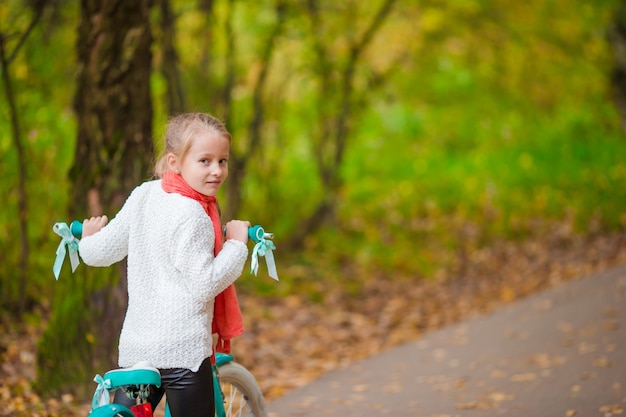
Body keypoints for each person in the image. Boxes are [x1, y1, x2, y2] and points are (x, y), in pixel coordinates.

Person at [78, 112, 250, 417]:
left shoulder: (143, 195)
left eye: (222, 160)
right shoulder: (195, 215)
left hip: (138, 350)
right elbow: (204, 284)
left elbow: (100, 253)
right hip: (182, 353)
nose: (217, 171)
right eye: (204, 161)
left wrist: (88, 239)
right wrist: (236, 244)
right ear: (174, 162)